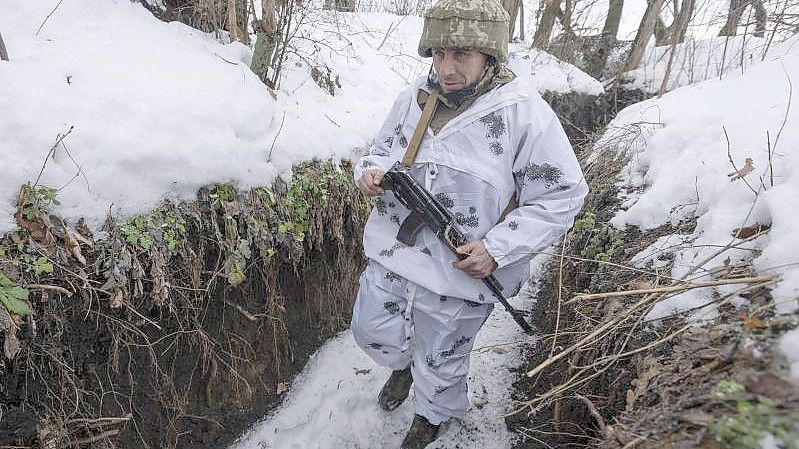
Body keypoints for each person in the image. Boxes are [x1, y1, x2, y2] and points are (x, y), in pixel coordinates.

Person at [351, 0, 589, 447]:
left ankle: (432, 416)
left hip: (461, 271)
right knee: (371, 332)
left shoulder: (525, 113)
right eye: (439, 54)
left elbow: (561, 195)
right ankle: (404, 366)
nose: (447, 68)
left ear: (490, 57)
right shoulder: (413, 100)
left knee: (442, 358)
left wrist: (497, 248)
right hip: (394, 250)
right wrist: (370, 174)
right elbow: (381, 150)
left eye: (461, 54)